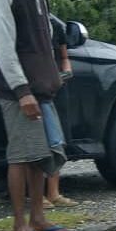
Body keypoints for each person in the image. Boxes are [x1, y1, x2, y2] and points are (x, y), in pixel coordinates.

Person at [0, 0, 80, 231]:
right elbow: (4, 46)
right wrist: (22, 91)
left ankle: (39, 219)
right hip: (17, 92)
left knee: (41, 156)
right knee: (21, 156)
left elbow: (46, 43)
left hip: (42, 90)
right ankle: (18, 224)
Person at [43, 18, 78, 208]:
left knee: (57, 141)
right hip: (37, 88)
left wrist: (66, 71)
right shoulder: (28, 24)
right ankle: (36, 194)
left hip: (57, 87)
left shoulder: (55, 26)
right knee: (38, 142)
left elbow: (64, 57)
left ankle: (54, 193)